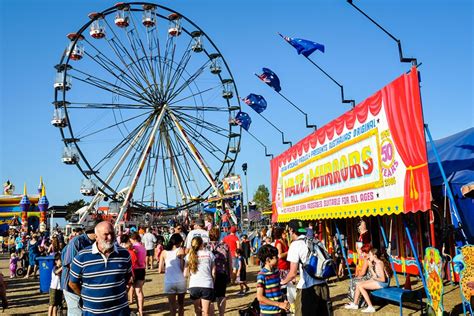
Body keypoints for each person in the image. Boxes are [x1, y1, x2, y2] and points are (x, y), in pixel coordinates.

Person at [69, 221, 132, 316]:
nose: (110, 238)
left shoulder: (124, 254)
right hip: (92, 312)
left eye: (112, 234)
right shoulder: (82, 256)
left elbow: (127, 278)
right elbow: (72, 283)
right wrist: (87, 297)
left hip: (120, 311)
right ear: (96, 236)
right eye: (106, 234)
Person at [281, 220, 332, 316]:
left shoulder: (295, 245)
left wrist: (282, 282)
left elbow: (292, 273)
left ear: (291, 230)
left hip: (308, 288)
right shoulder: (316, 241)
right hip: (323, 285)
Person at [61, 222, 97, 316]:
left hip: (87, 285)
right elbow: (71, 265)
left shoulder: (95, 243)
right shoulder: (77, 242)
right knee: (77, 311)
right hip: (73, 284)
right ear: (95, 232)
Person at [345, 248, 393, 313]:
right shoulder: (376, 262)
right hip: (379, 281)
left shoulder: (379, 263)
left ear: (374, 256)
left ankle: (370, 307)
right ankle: (355, 304)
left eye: (370, 255)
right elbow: (375, 276)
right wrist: (370, 267)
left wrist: (374, 279)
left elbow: (383, 279)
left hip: (382, 283)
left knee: (361, 286)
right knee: (359, 284)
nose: (369, 256)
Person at [184, 236, 215, 316]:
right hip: (207, 284)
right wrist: (213, 281)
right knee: (206, 312)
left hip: (194, 285)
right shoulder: (209, 254)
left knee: (197, 311)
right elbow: (214, 272)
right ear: (202, 244)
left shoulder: (188, 256)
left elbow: (185, 274)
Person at [256, 244, 290, 315]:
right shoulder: (262, 276)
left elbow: (279, 290)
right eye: (276, 257)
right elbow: (260, 297)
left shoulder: (276, 272)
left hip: (279, 311)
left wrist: (284, 300)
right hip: (268, 313)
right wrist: (279, 304)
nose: (278, 258)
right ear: (268, 260)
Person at [159, 233, 186, 316]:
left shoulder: (163, 252)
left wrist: (167, 271)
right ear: (179, 242)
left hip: (169, 281)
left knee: (172, 305)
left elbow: (160, 270)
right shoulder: (180, 250)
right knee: (181, 305)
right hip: (180, 280)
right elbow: (182, 268)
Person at [207, 227, 231, 316]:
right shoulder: (225, 246)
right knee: (221, 295)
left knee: (211, 298)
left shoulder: (206, 246)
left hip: (209, 274)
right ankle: (221, 314)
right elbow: (229, 262)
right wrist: (230, 274)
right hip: (222, 273)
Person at [130, 232, 146, 316]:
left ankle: (139, 309)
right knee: (139, 290)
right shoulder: (143, 247)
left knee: (135, 290)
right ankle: (140, 310)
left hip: (135, 269)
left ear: (133, 239)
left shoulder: (134, 247)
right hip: (142, 269)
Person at [273, 227, 290, 292]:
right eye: (284, 233)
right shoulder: (279, 243)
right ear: (280, 234)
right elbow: (279, 255)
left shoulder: (285, 241)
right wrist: (289, 252)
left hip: (287, 266)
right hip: (282, 267)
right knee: (283, 286)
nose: (285, 234)